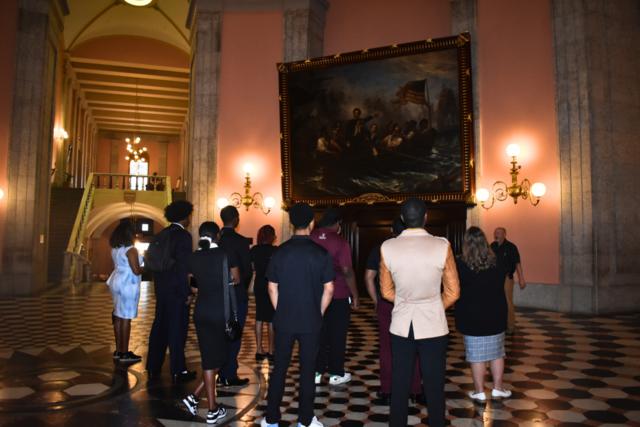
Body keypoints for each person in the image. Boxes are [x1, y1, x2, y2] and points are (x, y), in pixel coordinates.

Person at [380, 198, 460, 427]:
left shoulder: (388, 246)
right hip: (433, 324)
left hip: (401, 324)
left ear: (403, 219)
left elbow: (386, 291)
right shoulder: (442, 245)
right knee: (434, 384)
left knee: (400, 382)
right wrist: (432, 305)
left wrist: (407, 302)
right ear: (426, 217)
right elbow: (453, 292)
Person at [261, 203, 335, 427]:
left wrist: (280, 309)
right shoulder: (321, 253)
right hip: (310, 320)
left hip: (284, 319)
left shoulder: (279, 252)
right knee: (307, 369)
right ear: (312, 223)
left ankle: (271, 418)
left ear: (292, 223)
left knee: (279, 369)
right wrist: (318, 311)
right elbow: (329, 288)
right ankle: (305, 419)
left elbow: (272, 287)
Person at [181, 222, 241, 424]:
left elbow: (194, 287)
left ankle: (194, 397)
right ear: (217, 235)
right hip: (220, 312)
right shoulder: (225, 254)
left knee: (215, 358)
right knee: (213, 360)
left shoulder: (194, 257)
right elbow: (237, 279)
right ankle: (213, 409)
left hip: (201, 312)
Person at [364, 218, 423, 404]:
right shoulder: (418, 247)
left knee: (387, 346)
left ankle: (388, 390)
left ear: (391, 229)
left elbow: (368, 277)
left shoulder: (382, 247)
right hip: (413, 301)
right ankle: (415, 390)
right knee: (414, 345)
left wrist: (375, 300)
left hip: (387, 303)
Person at [455, 226, 511, 402]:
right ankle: (498, 388)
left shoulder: (460, 264)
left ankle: (479, 391)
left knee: (476, 354)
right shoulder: (497, 262)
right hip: (495, 312)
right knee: (497, 352)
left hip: (471, 315)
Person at [146, 200, 197, 383]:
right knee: (177, 330)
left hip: (162, 289)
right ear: (184, 216)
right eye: (189, 215)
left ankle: (153, 365)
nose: (190, 219)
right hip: (177, 290)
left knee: (159, 327)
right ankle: (178, 369)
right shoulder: (183, 236)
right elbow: (183, 268)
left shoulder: (162, 234)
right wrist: (187, 293)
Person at [311, 208, 359, 386]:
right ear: (337, 224)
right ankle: (336, 374)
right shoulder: (340, 241)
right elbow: (347, 271)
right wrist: (355, 295)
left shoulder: (311, 237)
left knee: (318, 333)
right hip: (338, 294)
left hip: (315, 295)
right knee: (337, 335)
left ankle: (315, 372)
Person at [217, 205, 252, 387]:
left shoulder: (217, 238)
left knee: (220, 334)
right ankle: (229, 373)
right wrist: (242, 289)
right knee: (235, 333)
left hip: (216, 294)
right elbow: (246, 270)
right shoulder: (240, 241)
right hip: (236, 295)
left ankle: (220, 369)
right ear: (236, 219)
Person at [107, 220, 144, 363]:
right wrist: (147, 267)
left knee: (117, 316)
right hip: (128, 284)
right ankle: (124, 353)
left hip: (116, 280)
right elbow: (136, 270)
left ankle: (118, 350)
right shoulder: (131, 249)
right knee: (125, 319)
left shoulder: (116, 249)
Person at [491, 227, 526, 334]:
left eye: (499, 233)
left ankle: (510, 326)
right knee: (494, 301)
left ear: (505, 234)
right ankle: (497, 324)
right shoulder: (492, 246)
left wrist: (521, 278)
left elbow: (517, 263)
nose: (497, 235)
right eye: (495, 233)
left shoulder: (511, 247)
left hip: (506, 278)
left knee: (507, 302)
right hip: (494, 278)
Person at [250, 225, 277, 361]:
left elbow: (253, 267)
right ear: (272, 236)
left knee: (259, 317)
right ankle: (271, 350)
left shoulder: (254, 250)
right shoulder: (276, 250)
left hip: (259, 284)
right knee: (272, 318)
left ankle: (259, 350)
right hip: (272, 284)